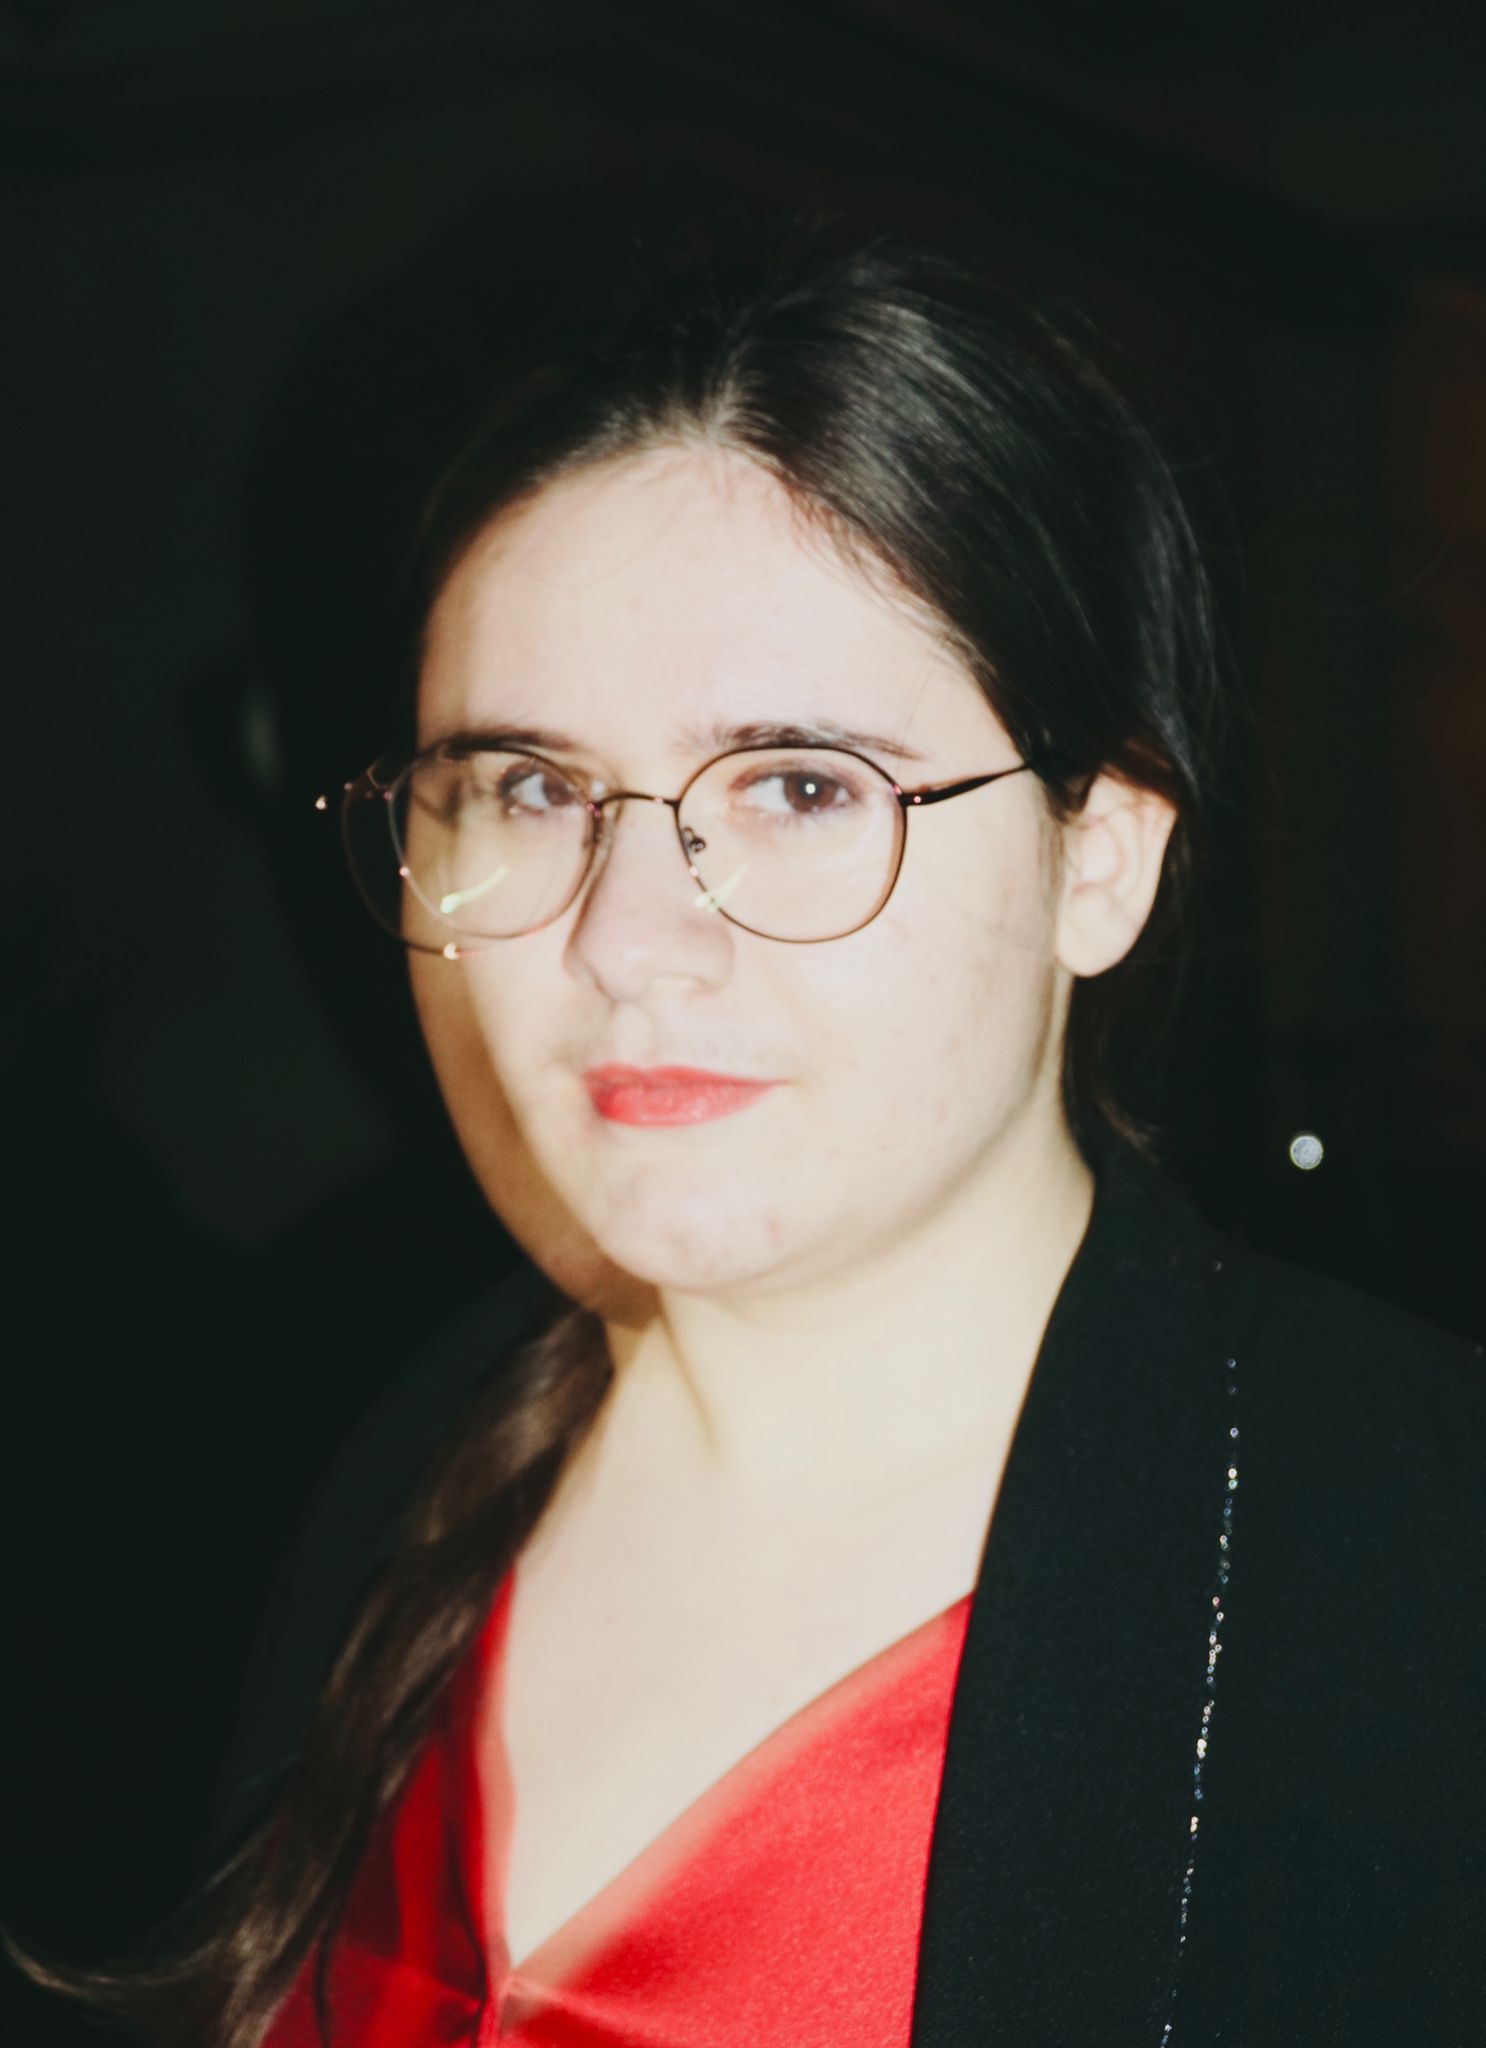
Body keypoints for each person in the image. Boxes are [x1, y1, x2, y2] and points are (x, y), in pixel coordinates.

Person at [25, 229, 1486, 2047]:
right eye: (530, 787)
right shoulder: (391, 1462)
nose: (623, 941)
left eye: (800, 786)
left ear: (1097, 854)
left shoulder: (1408, 1573)